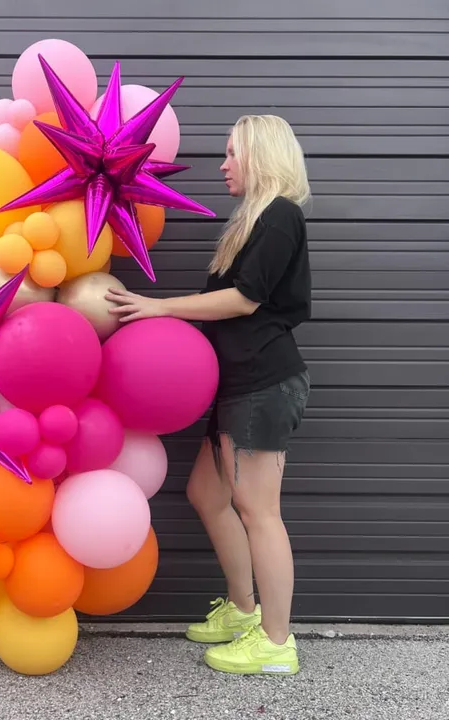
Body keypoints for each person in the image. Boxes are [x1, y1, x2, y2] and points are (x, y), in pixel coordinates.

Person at [106, 114, 312, 676]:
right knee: (206, 493)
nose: (222, 165)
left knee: (259, 511)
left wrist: (159, 306)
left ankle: (276, 643)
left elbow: (244, 301)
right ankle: (244, 612)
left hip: (263, 382)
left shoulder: (280, 216)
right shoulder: (254, 221)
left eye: (231, 154)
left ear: (261, 156)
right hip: (237, 384)